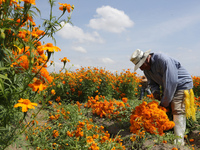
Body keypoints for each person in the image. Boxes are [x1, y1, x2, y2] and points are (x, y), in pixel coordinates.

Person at [130, 49, 195, 146]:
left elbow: (171, 82)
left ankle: (179, 142)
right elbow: (152, 83)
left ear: (146, 59)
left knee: (177, 109)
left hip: (182, 84)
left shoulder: (162, 60)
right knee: (168, 107)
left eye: (141, 65)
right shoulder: (146, 69)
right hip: (170, 85)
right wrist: (155, 92)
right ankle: (171, 132)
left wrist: (164, 102)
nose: (140, 69)